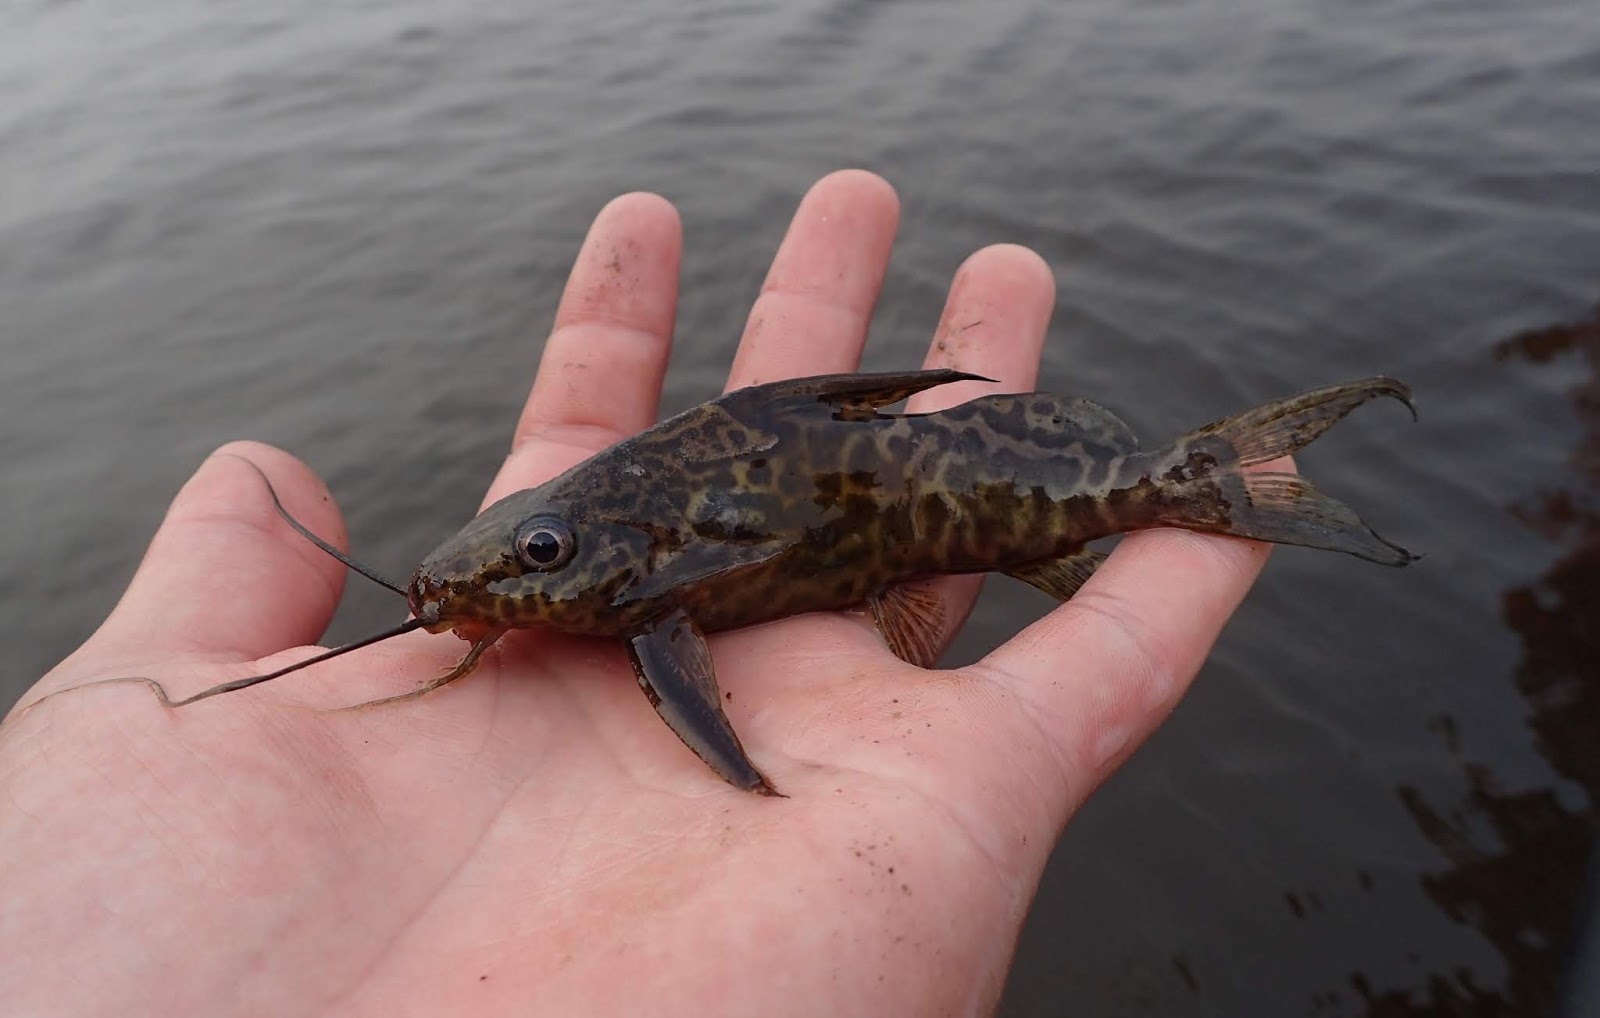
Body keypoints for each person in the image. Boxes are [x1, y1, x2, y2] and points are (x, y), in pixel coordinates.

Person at [0, 170, 1274, 1016]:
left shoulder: (653, 606)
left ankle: (1205, 481)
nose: (502, 584)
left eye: (539, 557)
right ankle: (1198, 481)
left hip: (952, 511)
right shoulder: (599, 577)